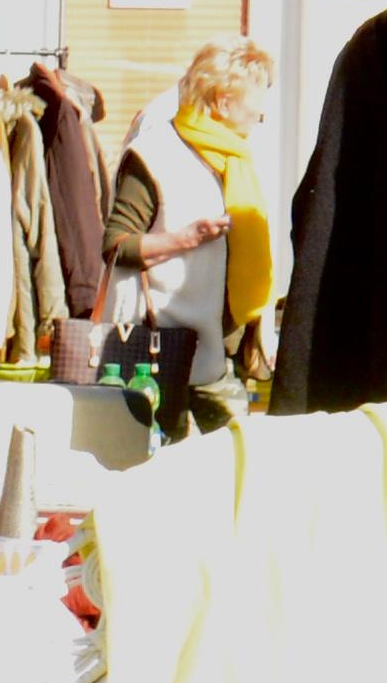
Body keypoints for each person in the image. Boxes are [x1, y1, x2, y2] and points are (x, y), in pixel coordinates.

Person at [104, 37, 275, 439]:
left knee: (240, 466)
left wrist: (258, 325)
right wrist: (185, 238)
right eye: (257, 103)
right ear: (223, 101)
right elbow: (116, 245)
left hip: (219, 352)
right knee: (160, 471)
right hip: (160, 351)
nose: (262, 114)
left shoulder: (235, 160)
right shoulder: (155, 153)